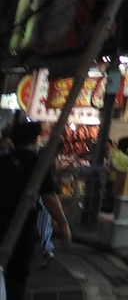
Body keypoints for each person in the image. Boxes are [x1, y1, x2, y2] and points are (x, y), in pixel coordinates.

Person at [0, 120, 72, 300]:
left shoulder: (3, 160)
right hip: (22, 227)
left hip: (1, 223)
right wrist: (63, 224)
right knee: (17, 277)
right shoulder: (37, 164)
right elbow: (49, 197)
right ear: (34, 140)